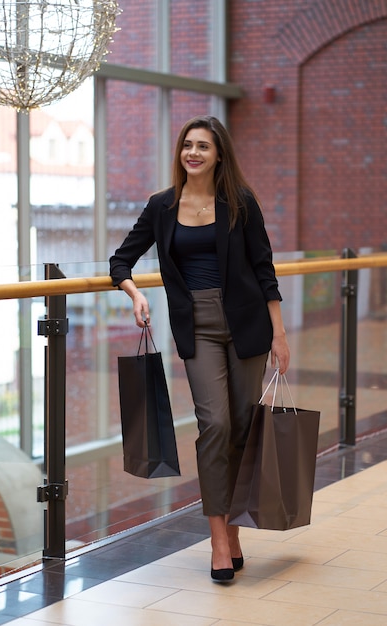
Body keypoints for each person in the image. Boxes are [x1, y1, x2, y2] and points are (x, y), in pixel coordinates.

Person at [109, 115, 290, 582]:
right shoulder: (161, 206)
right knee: (214, 424)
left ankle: (233, 531)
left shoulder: (240, 203)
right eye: (187, 145)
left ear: (218, 155)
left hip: (247, 325)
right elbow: (120, 260)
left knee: (242, 427)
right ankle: (217, 541)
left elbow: (264, 268)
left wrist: (280, 335)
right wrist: (136, 292)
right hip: (199, 328)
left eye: (203, 146)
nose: (193, 153)